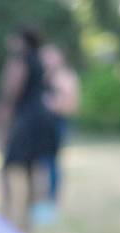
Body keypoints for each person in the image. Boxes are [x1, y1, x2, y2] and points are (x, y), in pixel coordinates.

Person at [0, 26, 58, 231]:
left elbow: (13, 90)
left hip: (26, 119)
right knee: (32, 170)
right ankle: (28, 220)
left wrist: (2, 110)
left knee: (7, 167)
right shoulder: (39, 60)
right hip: (41, 118)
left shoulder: (20, 61)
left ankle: (6, 212)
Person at [39, 44, 80, 222]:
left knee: (52, 163)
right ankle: (40, 201)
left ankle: (51, 203)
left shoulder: (66, 78)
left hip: (56, 123)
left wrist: (51, 104)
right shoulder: (42, 77)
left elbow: (71, 105)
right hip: (40, 125)